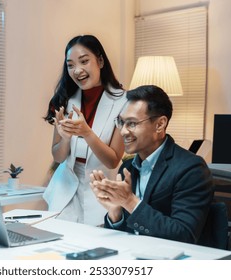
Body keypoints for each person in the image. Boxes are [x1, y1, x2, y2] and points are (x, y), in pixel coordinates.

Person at [90, 85, 214, 244]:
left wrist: (129, 201)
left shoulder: (191, 169)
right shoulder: (127, 168)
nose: (123, 131)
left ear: (160, 124)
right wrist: (116, 213)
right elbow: (128, 234)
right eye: (121, 122)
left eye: (132, 123)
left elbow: (184, 235)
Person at [43, 35, 127, 225]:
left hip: (100, 188)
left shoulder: (124, 101)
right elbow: (58, 157)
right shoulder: (64, 99)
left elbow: (113, 160)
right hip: (64, 190)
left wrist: (87, 133)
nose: (77, 70)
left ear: (100, 61)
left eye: (84, 61)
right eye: (70, 65)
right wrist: (64, 139)